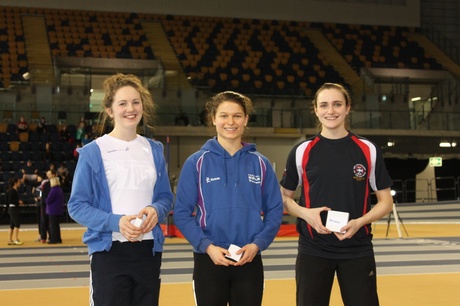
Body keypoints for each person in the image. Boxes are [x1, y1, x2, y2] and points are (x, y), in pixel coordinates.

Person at [279, 82, 393, 306]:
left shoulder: (367, 149)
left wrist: (360, 222)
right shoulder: (302, 150)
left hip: (357, 250)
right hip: (313, 250)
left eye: (337, 104)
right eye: (324, 105)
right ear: (315, 109)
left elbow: (385, 202)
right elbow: (284, 198)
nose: (330, 111)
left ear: (348, 107)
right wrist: (306, 214)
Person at [67, 73, 174, 306]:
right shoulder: (94, 152)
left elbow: (166, 197)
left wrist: (156, 209)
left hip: (148, 251)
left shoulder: (154, 150)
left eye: (136, 102)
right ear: (109, 110)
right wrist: (116, 222)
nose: (130, 109)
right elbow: (76, 206)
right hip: (109, 253)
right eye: (122, 103)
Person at [173, 91, 284, 306]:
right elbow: (181, 213)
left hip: (249, 258)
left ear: (246, 120)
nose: (230, 122)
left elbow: (275, 210)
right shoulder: (196, 162)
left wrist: (257, 245)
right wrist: (207, 246)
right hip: (209, 258)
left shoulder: (261, 164)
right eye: (224, 116)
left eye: (237, 116)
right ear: (213, 119)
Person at [46, 176, 64, 244]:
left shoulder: (53, 190)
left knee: (53, 225)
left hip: (52, 210)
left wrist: (45, 200)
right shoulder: (59, 189)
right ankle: (58, 238)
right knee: (57, 225)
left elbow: (48, 200)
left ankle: (53, 239)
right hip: (58, 209)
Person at [6, 177, 24, 245]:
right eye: (18, 182)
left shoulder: (13, 190)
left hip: (12, 208)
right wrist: (18, 202)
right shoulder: (12, 191)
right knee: (17, 223)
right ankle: (16, 239)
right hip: (13, 208)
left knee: (12, 224)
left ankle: (10, 240)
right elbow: (10, 200)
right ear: (15, 183)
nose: (20, 183)